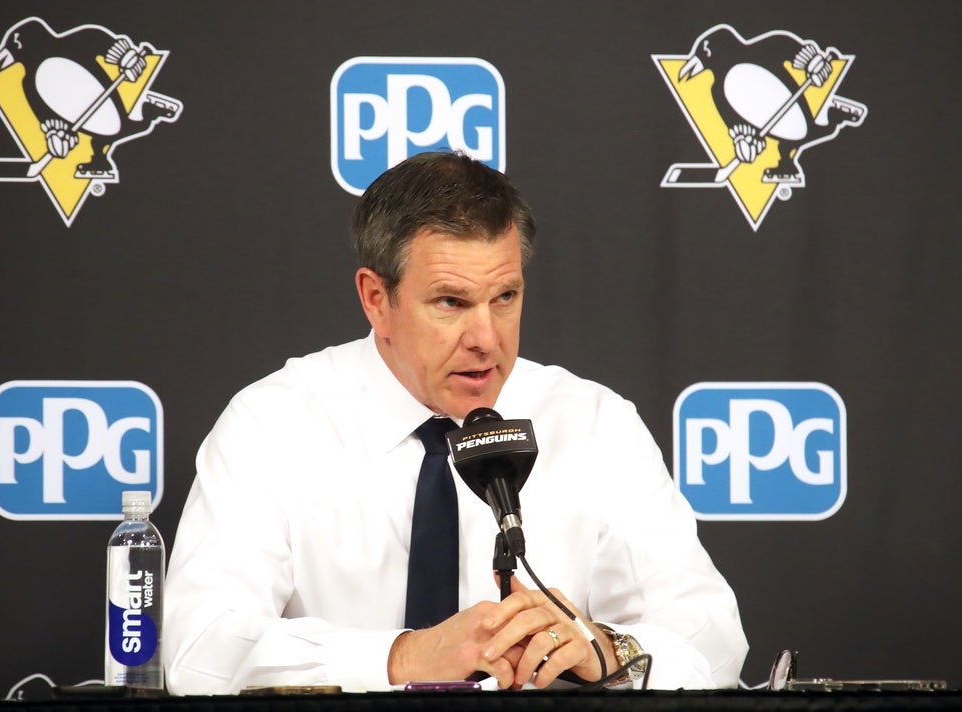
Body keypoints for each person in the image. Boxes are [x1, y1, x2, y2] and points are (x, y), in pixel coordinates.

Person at [163, 151, 748, 694]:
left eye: (505, 297)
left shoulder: (595, 424)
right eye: (451, 302)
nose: (486, 339)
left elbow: (715, 639)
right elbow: (198, 650)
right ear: (376, 299)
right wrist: (404, 658)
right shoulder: (272, 424)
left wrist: (610, 649)